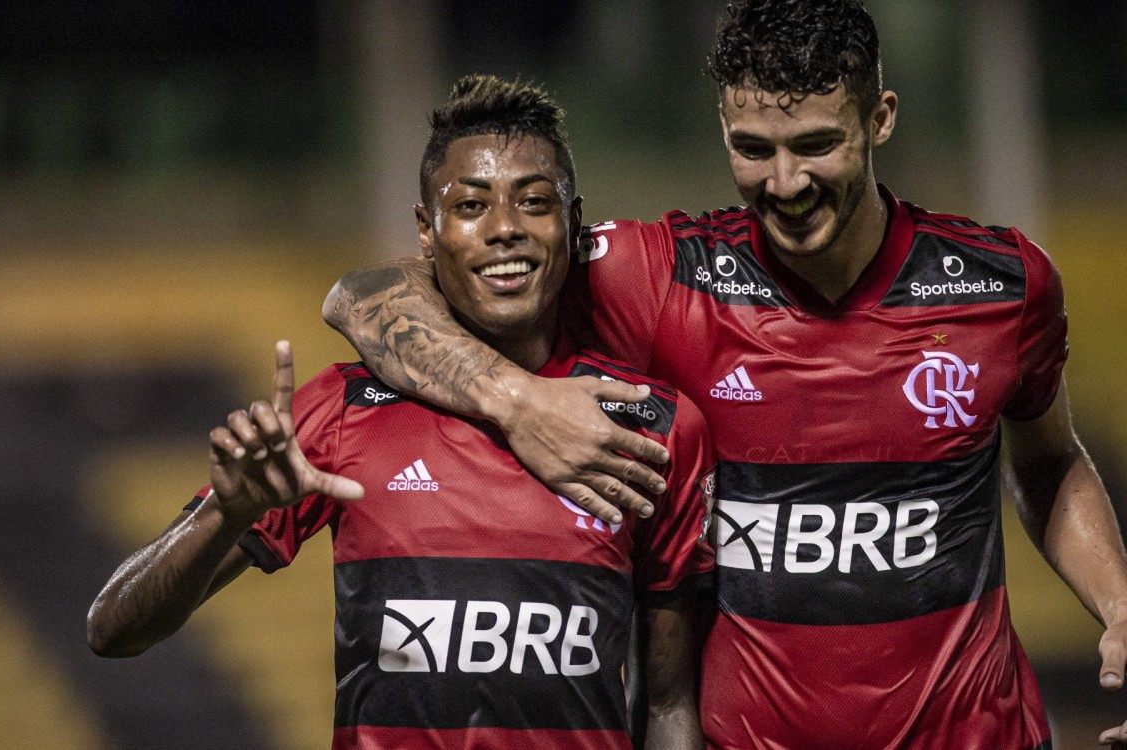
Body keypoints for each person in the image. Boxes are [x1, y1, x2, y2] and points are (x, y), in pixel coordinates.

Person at [321, 2, 1127, 748]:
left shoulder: (1002, 287)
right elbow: (363, 296)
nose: (785, 182)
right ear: (723, 131)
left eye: (816, 144)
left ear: (878, 119)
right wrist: (517, 400)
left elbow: (1051, 463)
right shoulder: (662, 279)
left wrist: (1120, 604)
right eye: (753, 149)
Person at [87, 75, 718, 750]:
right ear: (426, 230)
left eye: (534, 203)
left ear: (572, 220)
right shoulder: (344, 408)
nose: (504, 229)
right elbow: (114, 628)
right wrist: (226, 515)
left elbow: (670, 705)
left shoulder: (651, 425)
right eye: (471, 205)